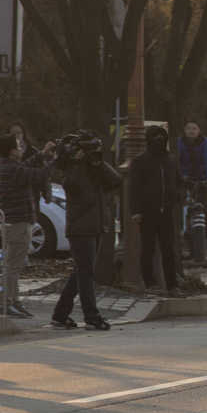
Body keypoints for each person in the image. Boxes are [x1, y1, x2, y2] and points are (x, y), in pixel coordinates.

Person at [49, 133, 121, 331]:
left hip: (95, 225)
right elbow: (74, 187)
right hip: (80, 228)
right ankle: (91, 317)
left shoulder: (95, 168)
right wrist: (80, 164)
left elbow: (116, 181)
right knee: (86, 273)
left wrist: (99, 163)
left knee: (80, 272)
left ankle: (60, 315)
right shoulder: (71, 169)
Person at [0, 131, 52, 319]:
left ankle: (13, 301)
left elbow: (25, 167)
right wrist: (58, 161)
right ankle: (6, 303)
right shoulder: (13, 170)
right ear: (12, 151)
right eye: (18, 146)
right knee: (12, 266)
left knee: (12, 264)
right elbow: (39, 174)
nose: (22, 148)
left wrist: (42, 155)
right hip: (18, 223)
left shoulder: (7, 166)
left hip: (12, 223)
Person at [129, 125, 183, 291]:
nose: (160, 142)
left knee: (169, 249)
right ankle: (150, 282)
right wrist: (136, 210)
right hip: (147, 212)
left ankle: (172, 284)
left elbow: (178, 180)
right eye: (156, 139)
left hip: (166, 211)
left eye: (162, 139)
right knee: (148, 248)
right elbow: (134, 188)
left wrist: (177, 194)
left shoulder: (171, 160)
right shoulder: (139, 162)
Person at [177, 120, 207, 255]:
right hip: (184, 178)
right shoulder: (180, 142)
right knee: (181, 206)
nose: (191, 131)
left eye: (194, 128)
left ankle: (204, 238)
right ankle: (182, 235)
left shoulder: (204, 143)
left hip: (200, 179)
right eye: (188, 128)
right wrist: (180, 175)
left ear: (199, 130)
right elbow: (177, 159)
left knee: (201, 207)